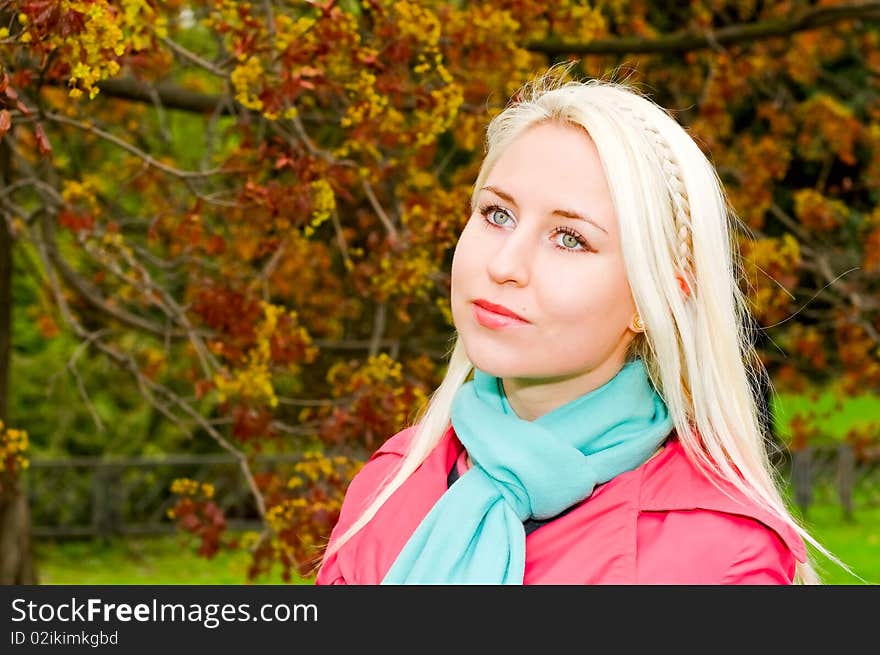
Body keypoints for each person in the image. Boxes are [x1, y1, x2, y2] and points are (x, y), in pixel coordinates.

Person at [314, 64, 841, 585]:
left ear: (654, 297)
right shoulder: (389, 482)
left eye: (570, 238)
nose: (504, 265)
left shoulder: (720, 554)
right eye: (497, 215)